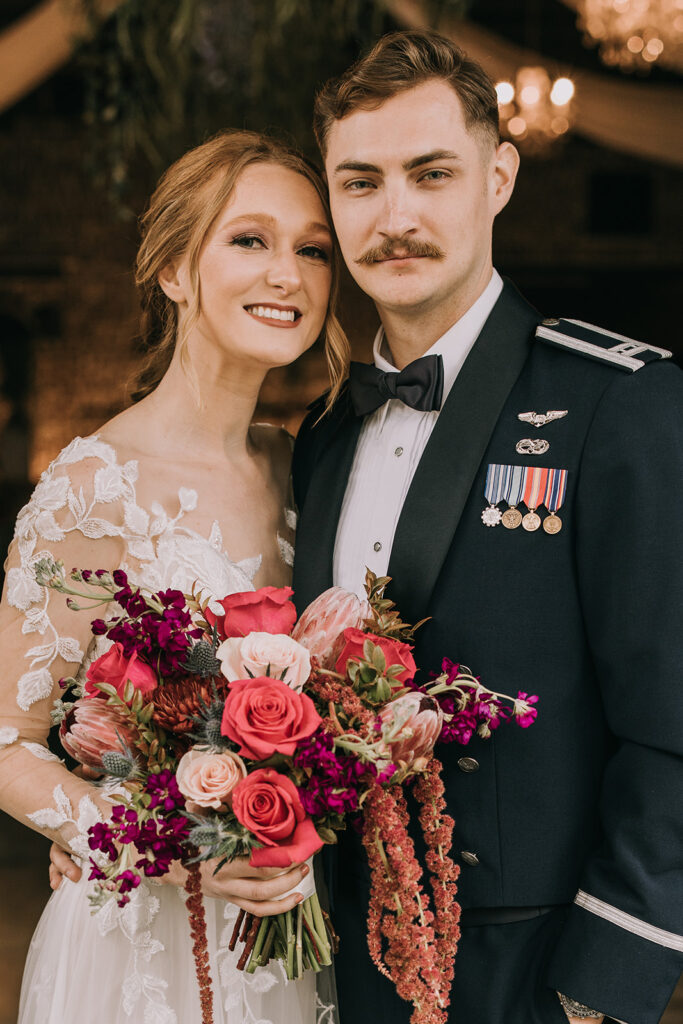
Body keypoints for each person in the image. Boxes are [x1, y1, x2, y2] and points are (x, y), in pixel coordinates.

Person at [290, 30, 683, 1024]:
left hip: (535, 968)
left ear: (497, 177)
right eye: (360, 183)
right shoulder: (325, 431)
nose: (396, 215)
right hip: (341, 964)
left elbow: (669, 721)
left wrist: (603, 982)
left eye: (430, 174)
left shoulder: (614, 401)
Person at [0, 128, 347, 1024]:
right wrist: (171, 842)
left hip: (289, 933)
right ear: (174, 271)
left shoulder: (303, 468)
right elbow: (5, 746)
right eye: (249, 239)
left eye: (312, 249)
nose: (289, 274)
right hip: (142, 946)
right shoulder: (93, 487)